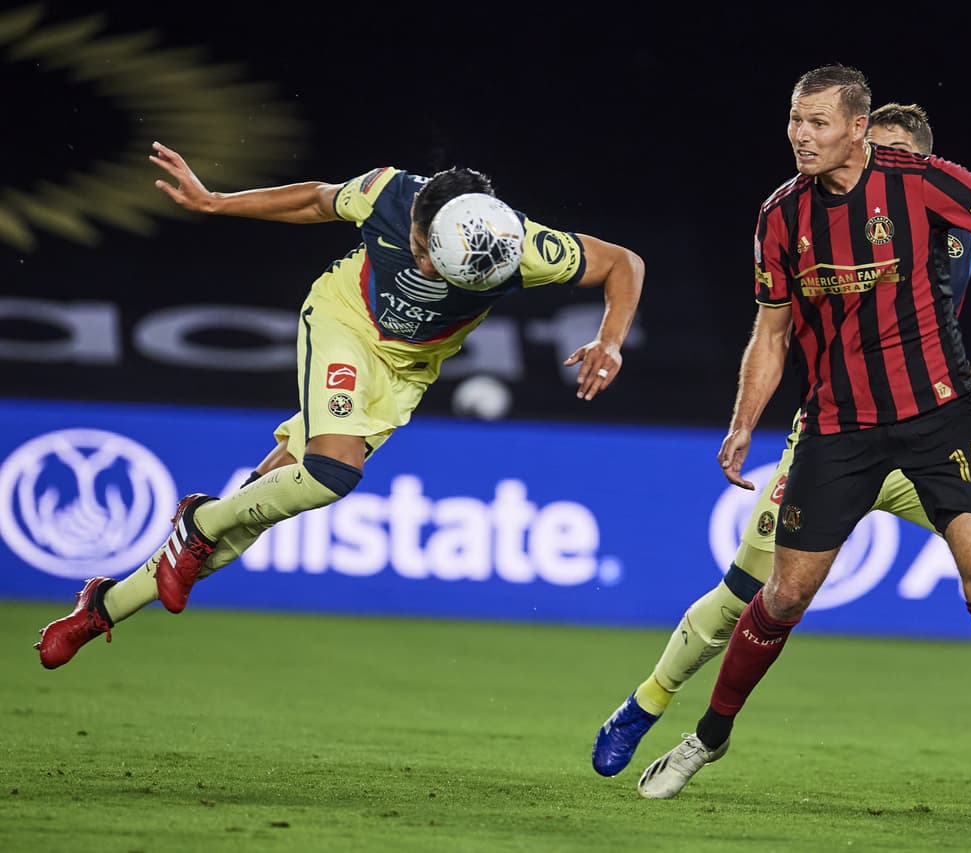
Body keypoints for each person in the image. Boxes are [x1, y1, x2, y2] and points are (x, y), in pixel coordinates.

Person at [592, 104, 971, 783]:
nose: (877, 169)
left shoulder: (943, 216)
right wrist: (744, 422)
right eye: (874, 151)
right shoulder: (805, 217)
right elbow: (771, 331)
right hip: (832, 438)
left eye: (893, 155)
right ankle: (646, 702)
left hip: (926, 436)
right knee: (746, 593)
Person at [34, 143, 644, 668]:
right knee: (333, 471)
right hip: (346, 320)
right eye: (424, 249)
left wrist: (609, 340)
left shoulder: (526, 249)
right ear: (420, 215)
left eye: (444, 269)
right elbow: (314, 199)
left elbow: (623, 263)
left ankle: (101, 608)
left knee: (257, 509)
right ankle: (197, 520)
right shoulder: (387, 192)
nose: (427, 266)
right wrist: (218, 202)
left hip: (407, 371)